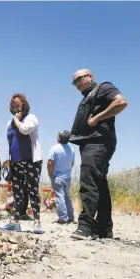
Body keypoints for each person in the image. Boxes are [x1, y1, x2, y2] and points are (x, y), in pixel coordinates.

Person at [69, 69, 128, 240]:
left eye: (80, 79)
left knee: (88, 179)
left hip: (99, 142)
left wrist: (97, 118)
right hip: (92, 141)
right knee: (99, 184)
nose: (77, 84)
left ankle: (85, 226)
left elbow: (121, 102)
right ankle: (104, 229)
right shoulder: (88, 95)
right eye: (75, 82)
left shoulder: (103, 87)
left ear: (90, 77)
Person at [0, 93, 44, 234]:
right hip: (16, 161)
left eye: (17, 104)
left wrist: (18, 121)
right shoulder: (9, 123)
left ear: (24, 104)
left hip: (31, 159)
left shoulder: (31, 118)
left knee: (33, 191)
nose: (14, 106)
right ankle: (15, 222)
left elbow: (25, 130)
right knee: (17, 191)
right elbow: (11, 142)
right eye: (12, 104)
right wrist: (9, 160)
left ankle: (37, 222)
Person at [47, 130, 75, 223]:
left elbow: (50, 162)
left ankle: (63, 217)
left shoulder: (54, 148)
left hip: (57, 176)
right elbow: (72, 163)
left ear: (59, 137)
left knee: (60, 196)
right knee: (67, 196)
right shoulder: (71, 149)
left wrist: (50, 173)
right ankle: (70, 217)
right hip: (67, 176)